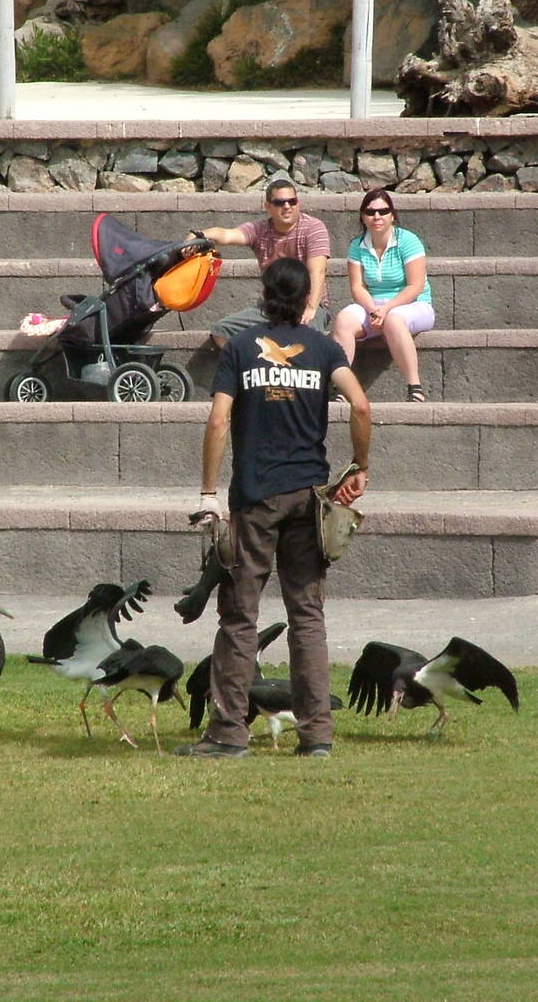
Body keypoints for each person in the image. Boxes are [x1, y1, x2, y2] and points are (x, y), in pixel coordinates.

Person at [175, 257, 371, 760]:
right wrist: (359, 468)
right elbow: (362, 406)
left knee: (240, 619)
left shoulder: (241, 348)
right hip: (308, 497)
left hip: (254, 499)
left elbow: (219, 420)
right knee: (308, 617)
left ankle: (228, 736)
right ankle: (317, 738)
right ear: (309, 297)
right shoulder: (326, 349)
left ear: (263, 295)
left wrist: (206, 492)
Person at [197, 177, 331, 348]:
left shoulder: (314, 228)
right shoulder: (259, 230)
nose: (287, 206)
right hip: (272, 305)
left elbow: (317, 272)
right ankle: (248, 367)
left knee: (308, 335)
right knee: (222, 331)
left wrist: (311, 308)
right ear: (268, 206)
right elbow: (226, 235)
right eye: (280, 202)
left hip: (306, 303)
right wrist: (197, 237)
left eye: (292, 201)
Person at [330, 188, 435, 402]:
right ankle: (341, 389)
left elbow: (415, 285)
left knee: (394, 321)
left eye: (383, 211)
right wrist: (373, 310)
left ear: (392, 215)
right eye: (370, 212)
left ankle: (414, 387)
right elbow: (357, 287)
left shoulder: (408, 240)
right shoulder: (357, 245)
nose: (376, 217)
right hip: (374, 304)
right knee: (343, 320)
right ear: (363, 216)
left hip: (413, 303)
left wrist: (386, 310)